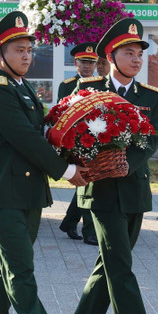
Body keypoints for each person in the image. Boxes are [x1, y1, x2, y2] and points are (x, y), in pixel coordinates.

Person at [0, 11, 87, 314]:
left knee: (4, 268)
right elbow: (27, 140)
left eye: (29, 49)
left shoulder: (21, 87)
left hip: (25, 194)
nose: (26, 55)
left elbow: (44, 130)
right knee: (20, 269)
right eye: (19, 49)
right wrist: (67, 170)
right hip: (1, 194)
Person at [65, 17, 158, 314]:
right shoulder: (89, 91)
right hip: (101, 191)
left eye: (139, 53)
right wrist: (94, 160)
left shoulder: (151, 97)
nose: (137, 59)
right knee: (120, 264)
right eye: (129, 52)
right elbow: (72, 135)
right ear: (111, 55)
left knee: (109, 263)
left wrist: (124, 163)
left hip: (134, 190)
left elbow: (150, 141)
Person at [56, 43, 99, 245]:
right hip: (76, 141)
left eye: (91, 62)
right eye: (84, 62)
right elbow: (61, 114)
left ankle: (71, 222)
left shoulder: (102, 84)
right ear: (76, 63)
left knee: (88, 182)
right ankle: (87, 229)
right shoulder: (67, 85)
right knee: (86, 181)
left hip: (98, 141)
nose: (88, 66)